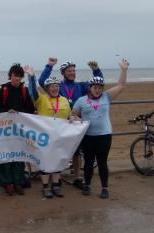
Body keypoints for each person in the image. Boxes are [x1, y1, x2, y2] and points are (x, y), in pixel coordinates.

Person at [38, 58, 104, 187]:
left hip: (76, 121)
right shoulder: (58, 85)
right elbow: (42, 82)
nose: (72, 73)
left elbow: (98, 84)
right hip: (62, 122)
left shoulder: (80, 86)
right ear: (63, 73)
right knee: (59, 149)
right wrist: (49, 66)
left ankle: (77, 177)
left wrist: (96, 70)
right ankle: (58, 177)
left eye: (73, 70)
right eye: (69, 71)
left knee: (76, 151)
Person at [72, 58, 130, 199]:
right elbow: (73, 114)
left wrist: (124, 70)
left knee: (102, 162)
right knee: (89, 162)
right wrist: (77, 119)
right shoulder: (81, 100)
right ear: (89, 88)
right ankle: (87, 185)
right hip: (88, 136)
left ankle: (104, 188)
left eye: (99, 88)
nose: (97, 90)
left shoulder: (106, 97)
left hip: (104, 136)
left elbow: (121, 85)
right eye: (94, 87)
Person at [26, 67, 72, 198]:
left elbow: (69, 115)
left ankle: (56, 185)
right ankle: (45, 187)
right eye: (51, 86)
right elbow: (33, 91)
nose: (54, 88)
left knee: (58, 161)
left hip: (60, 137)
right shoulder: (41, 99)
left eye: (56, 86)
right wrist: (31, 77)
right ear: (46, 88)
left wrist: (72, 117)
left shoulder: (64, 100)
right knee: (45, 161)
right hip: (45, 137)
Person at [0, 63, 35, 196]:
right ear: (10, 76)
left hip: (19, 130)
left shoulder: (24, 90)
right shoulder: (3, 90)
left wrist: (24, 115)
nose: (17, 78)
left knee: (19, 156)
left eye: (19, 76)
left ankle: (18, 181)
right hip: (5, 129)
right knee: (5, 156)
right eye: (15, 75)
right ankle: (7, 182)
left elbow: (30, 108)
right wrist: (7, 111)